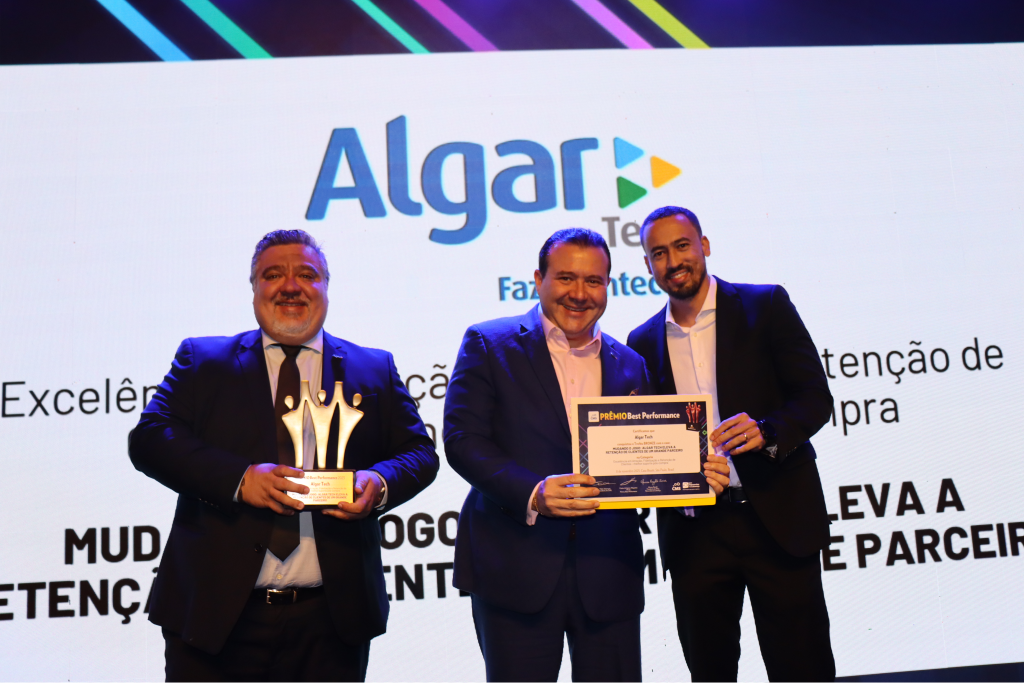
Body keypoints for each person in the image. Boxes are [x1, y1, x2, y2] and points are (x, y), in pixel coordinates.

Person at [129, 229, 438, 682]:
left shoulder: (373, 367)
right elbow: (150, 440)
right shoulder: (203, 360)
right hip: (216, 618)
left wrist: (378, 484)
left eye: (306, 274)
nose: (290, 286)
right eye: (273, 275)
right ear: (253, 288)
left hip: (331, 621)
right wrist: (240, 479)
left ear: (326, 287)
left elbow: (419, 454)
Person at [443, 228, 731, 683]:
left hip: (608, 569)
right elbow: (462, 440)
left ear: (608, 286)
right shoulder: (488, 342)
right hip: (516, 566)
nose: (580, 294)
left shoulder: (629, 362)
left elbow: (648, 458)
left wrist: (695, 474)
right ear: (538, 279)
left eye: (594, 281)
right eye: (565, 279)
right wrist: (533, 493)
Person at [626, 206, 836, 682]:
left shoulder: (765, 306)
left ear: (704, 244)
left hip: (778, 522)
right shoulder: (640, 343)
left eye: (682, 245)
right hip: (696, 532)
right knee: (710, 670)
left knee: (803, 668)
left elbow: (815, 398)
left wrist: (767, 431)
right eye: (658, 253)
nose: (673, 260)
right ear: (647, 266)